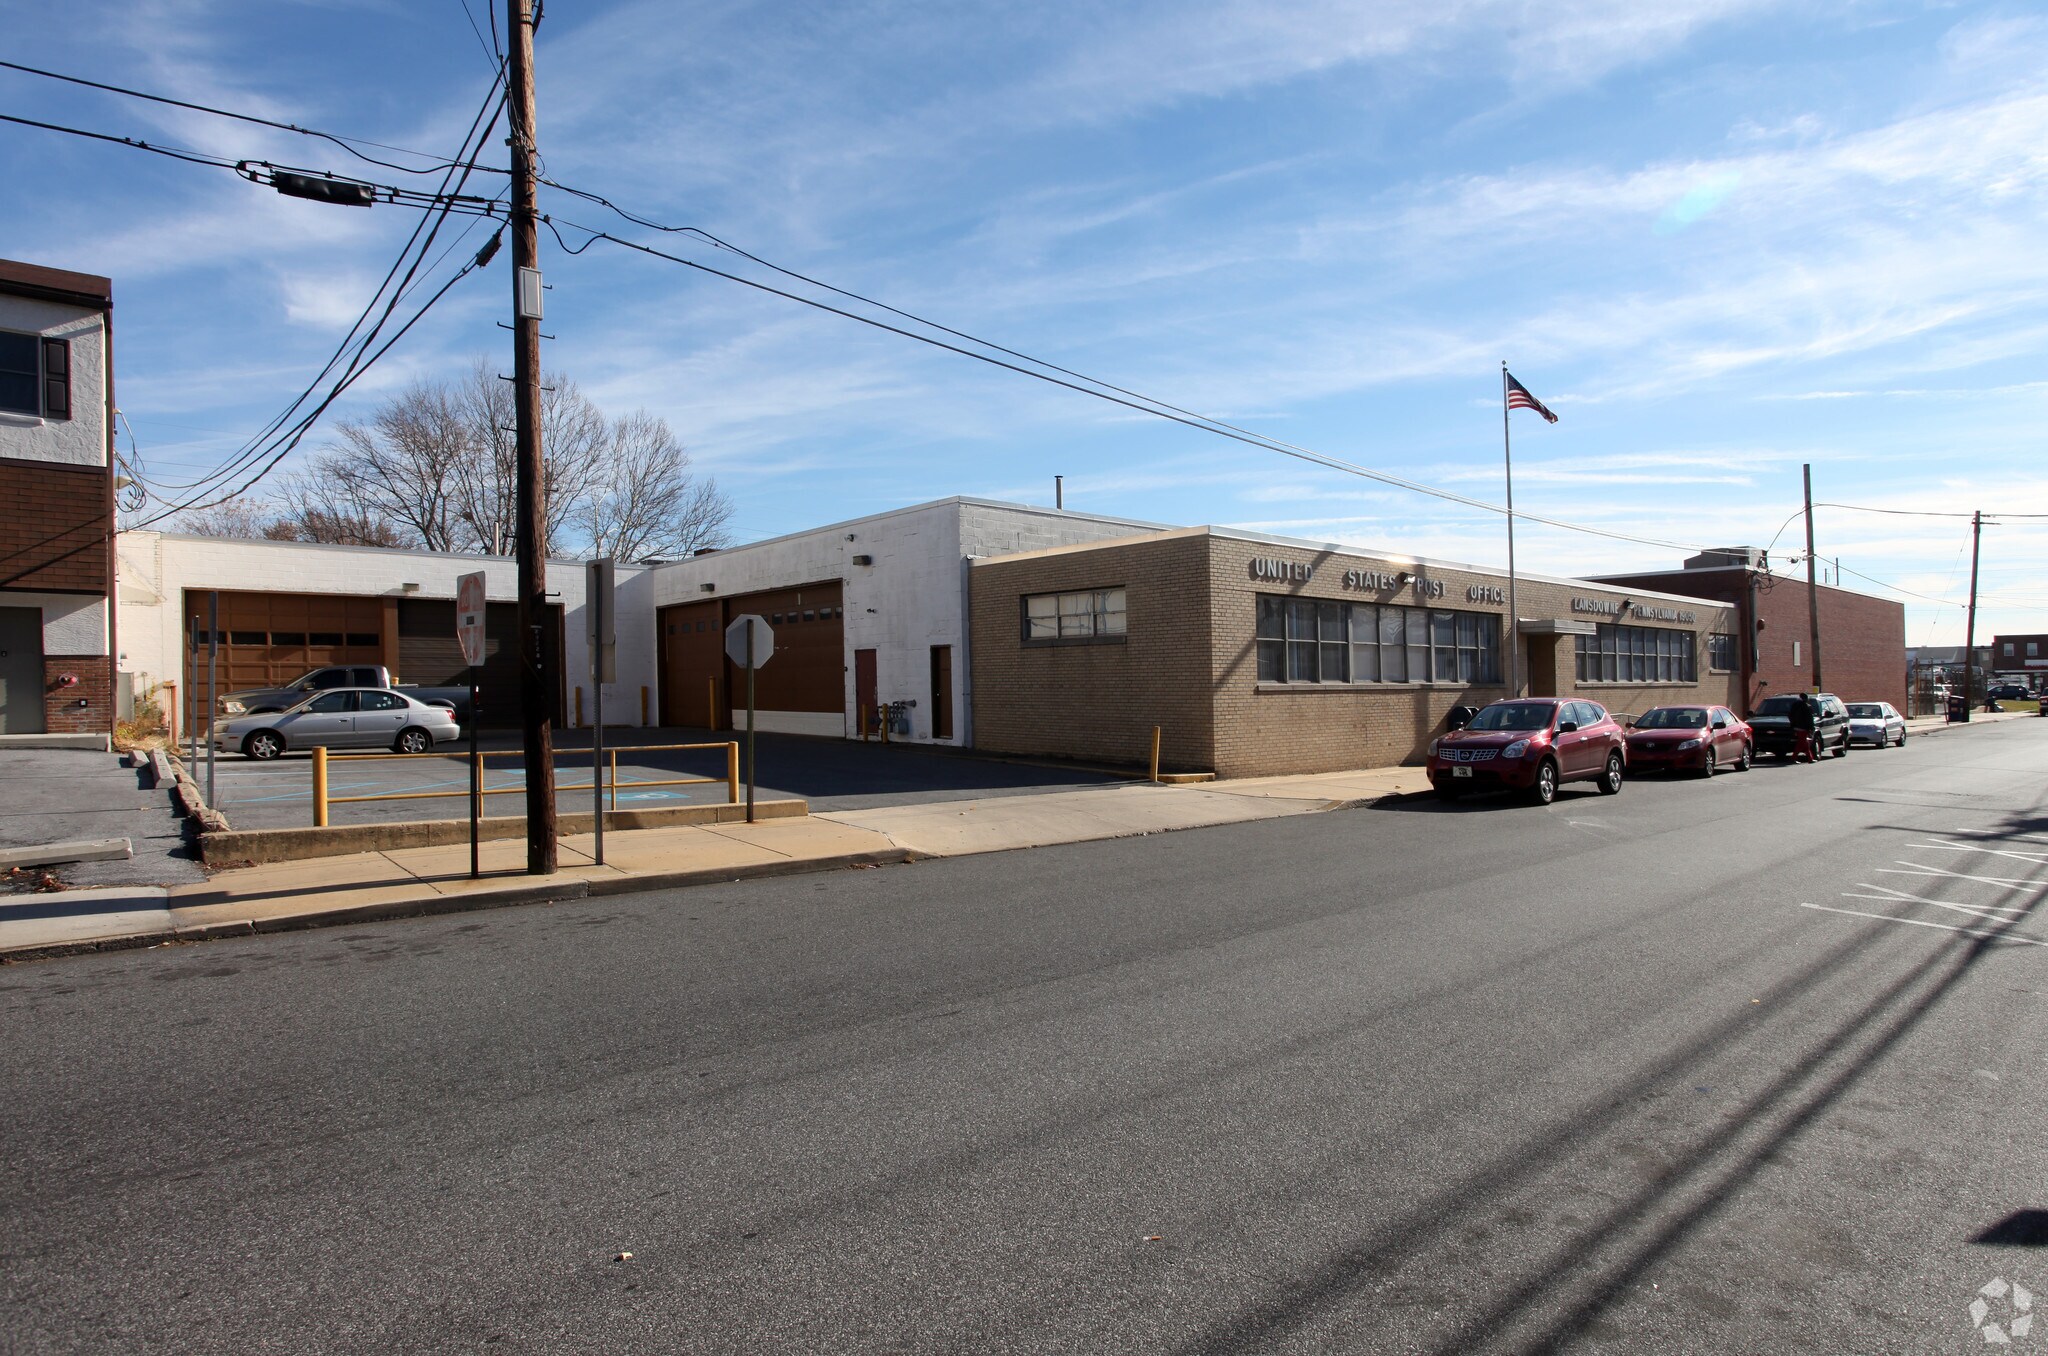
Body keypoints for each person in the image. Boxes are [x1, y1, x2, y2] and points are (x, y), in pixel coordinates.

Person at [1789, 693, 1818, 762]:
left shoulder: (1794, 706)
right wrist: (1811, 728)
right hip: (1804, 728)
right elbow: (1809, 718)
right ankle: (1795, 758)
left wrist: (1793, 724)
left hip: (1796, 727)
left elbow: (1790, 715)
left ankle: (1809, 758)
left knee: (1803, 743)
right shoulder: (1807, 706)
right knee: (1802, 743)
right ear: (1806, 698)